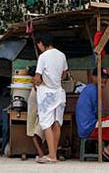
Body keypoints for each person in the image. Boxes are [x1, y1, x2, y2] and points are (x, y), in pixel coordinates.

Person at [75, 68, 109, 162]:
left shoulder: (89, 88)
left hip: (87, 126)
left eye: (105, 78)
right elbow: (98, 114)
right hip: (89, 127)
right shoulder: (94, 90)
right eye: (101, 77)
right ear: (93, 77)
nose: (104, 80)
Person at [33, 32, 68, 164]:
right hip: (59, 92)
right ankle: (53, 153)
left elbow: (37, 77)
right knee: (57, 123)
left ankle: (52, 156)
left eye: (39, 44)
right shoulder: (61, 55)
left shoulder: (43, 57)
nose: (39, 47)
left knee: (46, 123)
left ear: (41, 43)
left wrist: (36, 83)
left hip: (47, 94)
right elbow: (64, 75)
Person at [25, 66, 47, 160]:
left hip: (39, 112)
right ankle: (40, 153)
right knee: (35, 132)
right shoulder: (37, 87)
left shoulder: (40, 86)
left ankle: (42, 152)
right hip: (35, 112)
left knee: (38, 132)